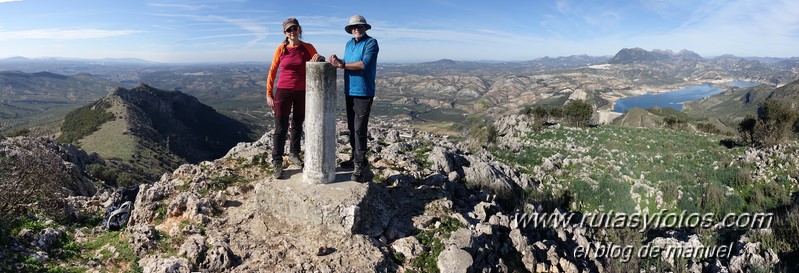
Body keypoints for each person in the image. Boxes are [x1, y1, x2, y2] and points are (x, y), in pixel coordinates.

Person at [266, 17, 323, 179]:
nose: (292, 32)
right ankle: (277, 160)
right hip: (283, 91)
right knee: (280, 127)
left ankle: (294, 154)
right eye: (289, 30)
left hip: (302, 91)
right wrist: (269, 93)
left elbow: (318, 60)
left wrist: (319, 59)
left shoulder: (308, 47)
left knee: (297, 124)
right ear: (285, 33)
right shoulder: (281, 49)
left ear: (299, 30)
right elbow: (273, 71)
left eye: (294, 28)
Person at [328, 15, 379, 182]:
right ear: (350, 30)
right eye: (353, 27)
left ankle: (360, 164)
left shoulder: (371, 43)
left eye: (359, 26)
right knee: (352, 127)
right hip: (349, 90)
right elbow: (347, 62)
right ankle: (355, 158)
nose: (356, 29)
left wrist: (341, 65)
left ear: (365, 28)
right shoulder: (349, 43)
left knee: (359, 128)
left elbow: (363, 64)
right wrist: (337, 61)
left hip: (364, 92)